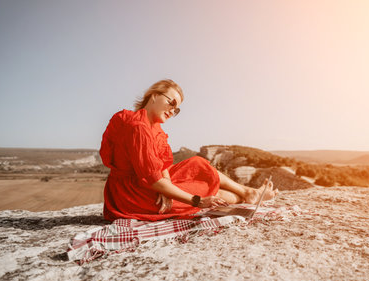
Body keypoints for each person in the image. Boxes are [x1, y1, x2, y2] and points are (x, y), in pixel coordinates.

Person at [100, 79, 278, 221]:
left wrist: (166, 188)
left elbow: (162, 167)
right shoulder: (138, 126)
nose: (172, 110)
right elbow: (153, 180)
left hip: (148, 183)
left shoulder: (154, 128)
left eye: (176, 109)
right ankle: (246, 196)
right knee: (204, 192)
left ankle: (248, 192)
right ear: (154, 96)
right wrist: (197, 201)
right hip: (132, 194)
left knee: (198, 163)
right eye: (172, 103)